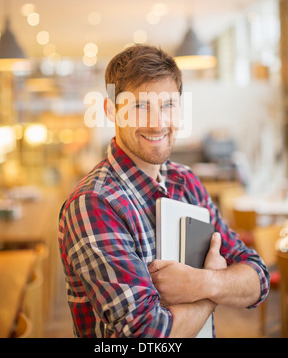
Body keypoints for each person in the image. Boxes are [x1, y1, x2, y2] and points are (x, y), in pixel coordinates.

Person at [58, 44, 270, 338]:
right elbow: (146, 336)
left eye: (168, 105)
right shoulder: (94, 203)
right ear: (111, 111)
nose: (157, 123)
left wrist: (202, 284)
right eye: (140, 106)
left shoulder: (186, 181)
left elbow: (257, 277)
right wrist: (213, 292)